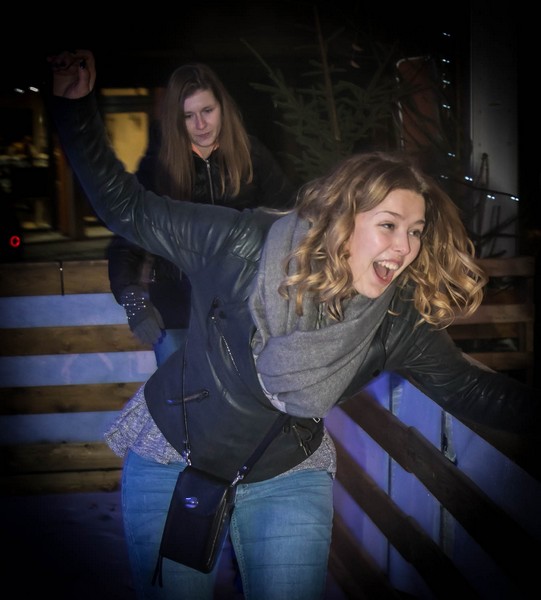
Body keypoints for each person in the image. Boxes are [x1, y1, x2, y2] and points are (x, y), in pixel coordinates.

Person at [47, 50, 539, 600]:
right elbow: (129, 210)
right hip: (174, 459)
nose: (405, 247)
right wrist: (75, 110)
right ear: (344, 220)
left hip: (286, 474)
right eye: (389, 225)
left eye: (416, 231)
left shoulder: (396, 320)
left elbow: (471, 389)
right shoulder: (241, 243)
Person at [107, 62, 296, 366]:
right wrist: (132, 299)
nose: (201, 124)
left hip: (244, 311)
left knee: (245, 395)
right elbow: (128, 233)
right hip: (178, 309)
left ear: (222, 108)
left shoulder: (251, 156)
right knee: (181, 394)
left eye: (207, 111)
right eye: (188, 116)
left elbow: (289, 220)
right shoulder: (159, 166)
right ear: (176, 119)